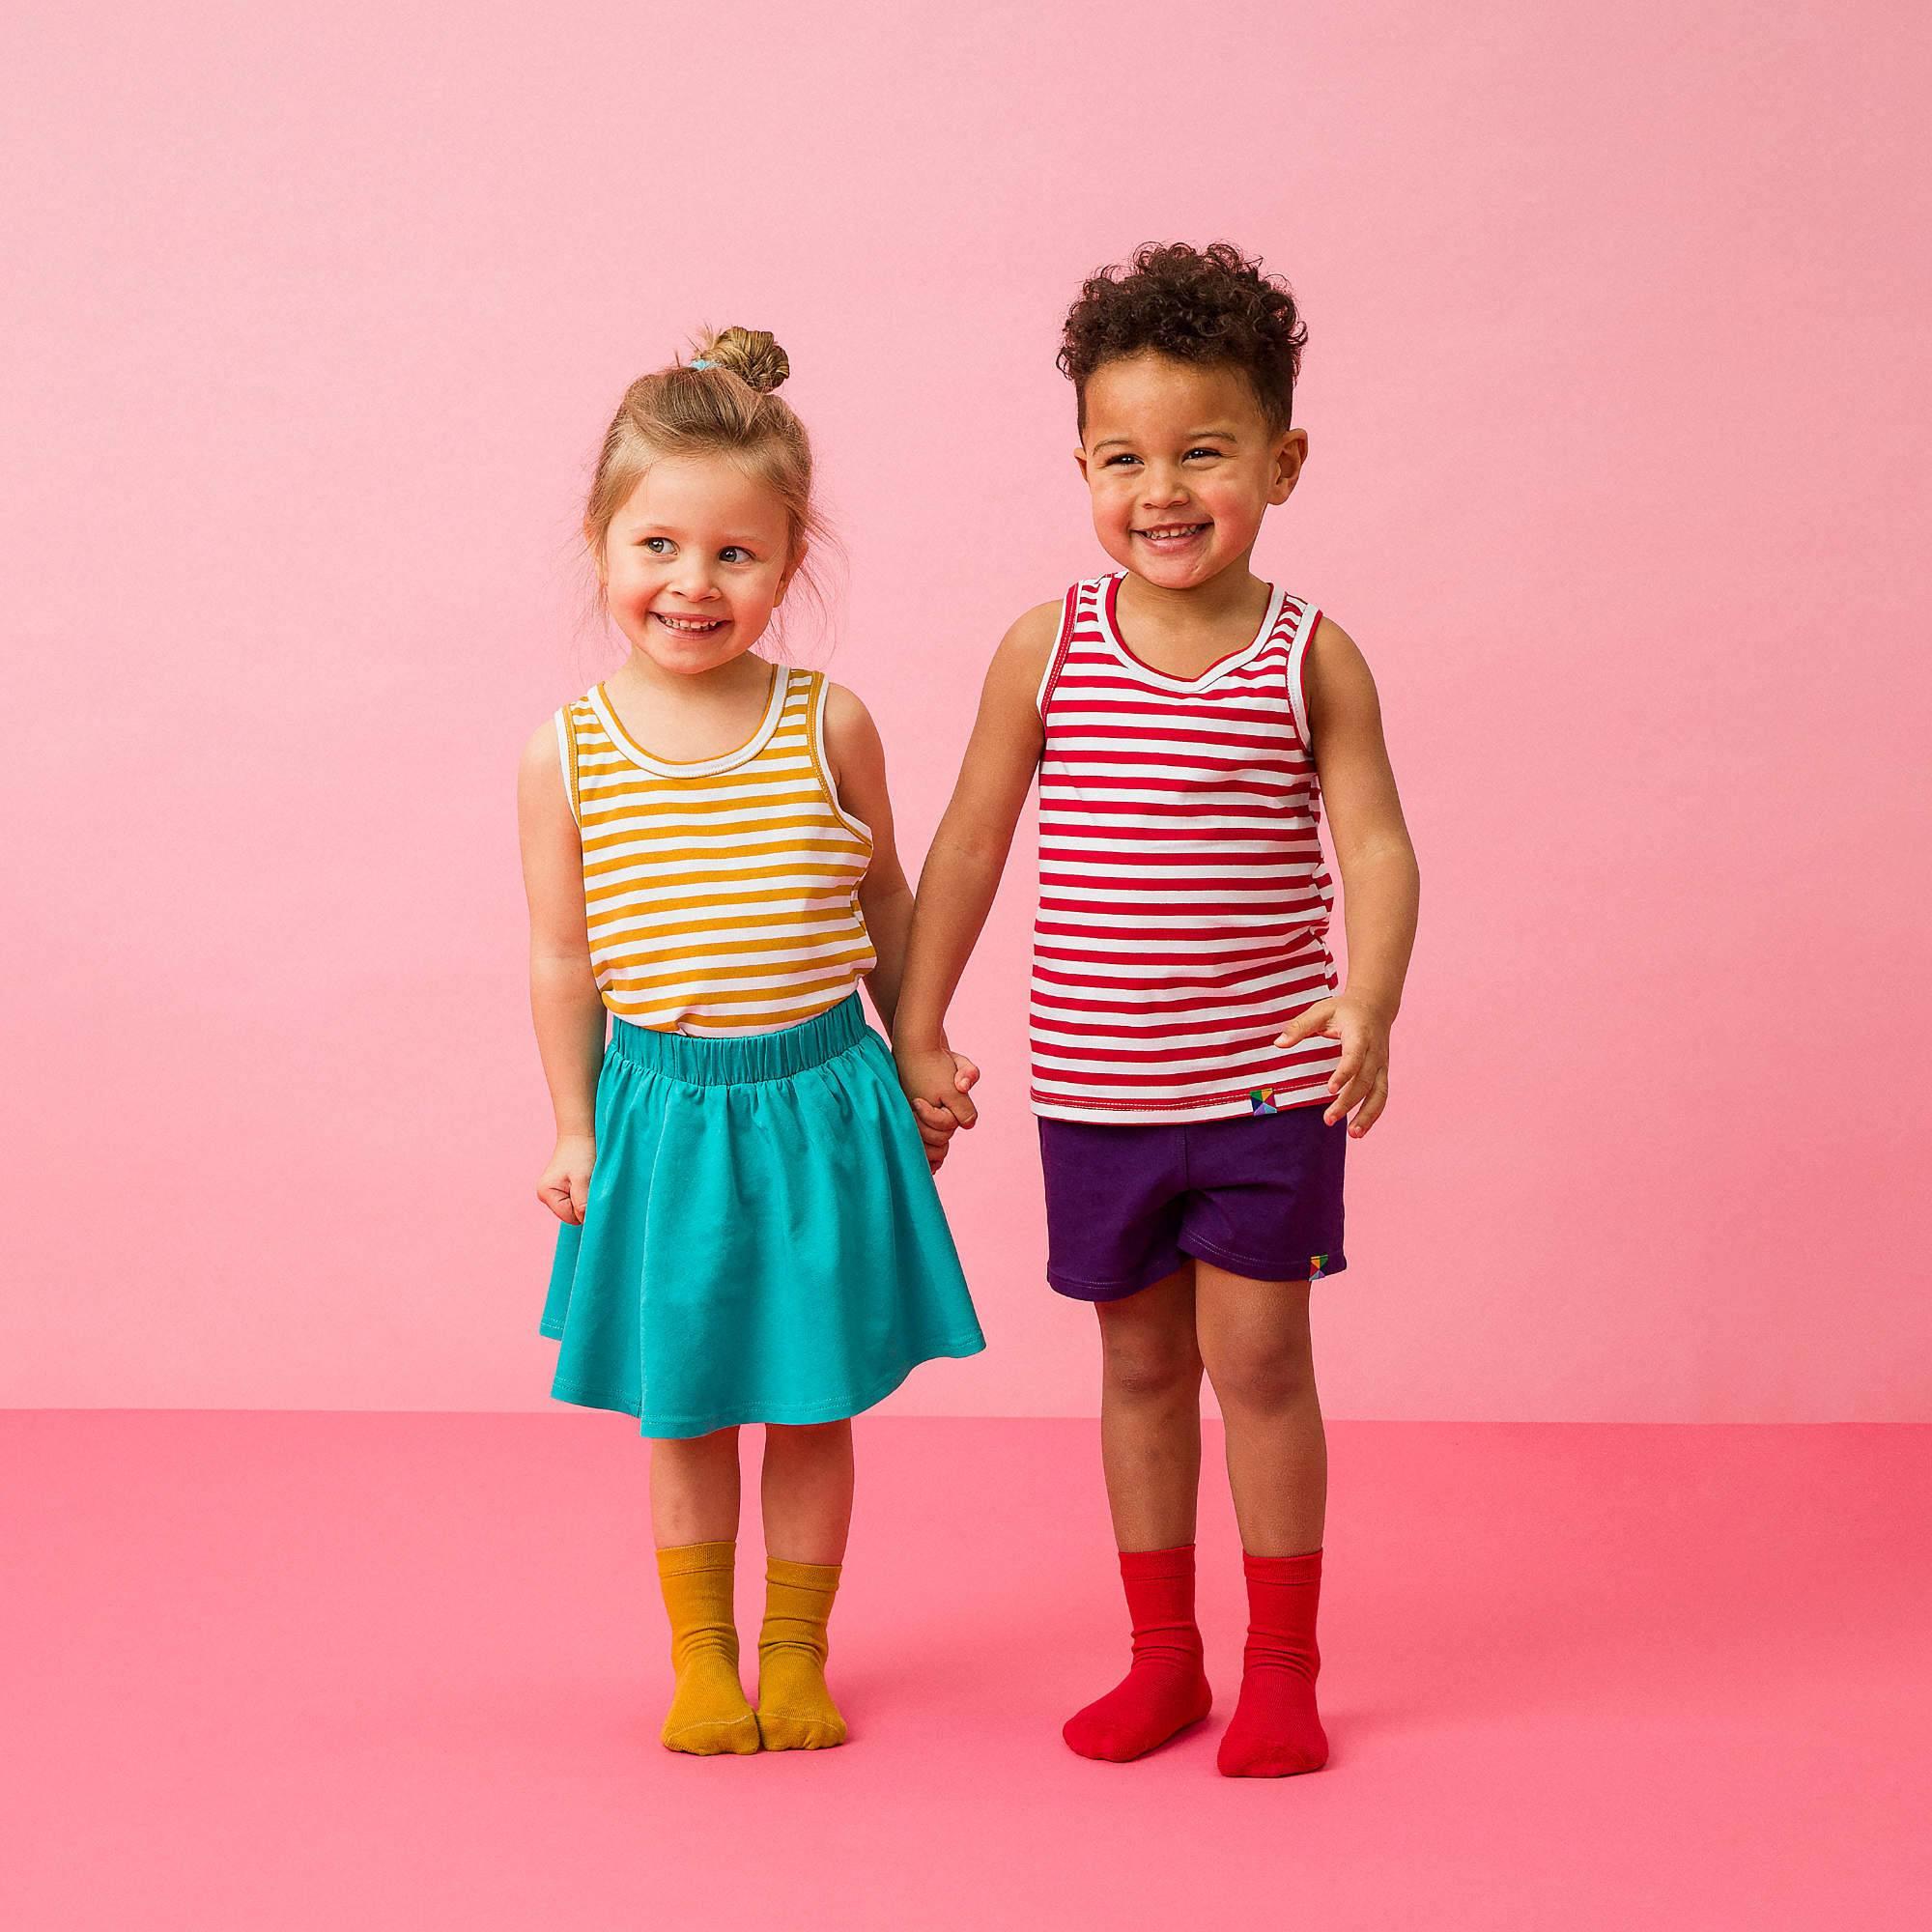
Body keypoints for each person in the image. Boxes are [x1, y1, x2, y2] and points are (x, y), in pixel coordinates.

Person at [894, 244, 1419, 1776]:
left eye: (1204, 452)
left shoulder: (1308, 657)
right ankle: (1164, 1661)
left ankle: (1281, 1669)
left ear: (1281, 461)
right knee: (1135, 1366)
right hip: (1102, 1095)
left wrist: (1366, 1005)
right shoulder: (1044, 646)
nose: (1162, 489)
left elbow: (1375, 843)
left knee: (1258, 1363)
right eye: (1125, 457)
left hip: (1263, 1089)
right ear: (1082, 466)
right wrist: (918, 1026)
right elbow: (972, 843)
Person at [518, 327, 984, 1755]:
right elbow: (561, 955)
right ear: (601, 541)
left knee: (813, 1399)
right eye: (658, 543)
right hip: (664, 1113)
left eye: (737, 554)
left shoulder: (829, 725)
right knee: (686, 1413)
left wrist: (920, 1049)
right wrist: (576, 1123)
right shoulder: (569, 749)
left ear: (791, 560)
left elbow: (887, 895)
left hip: (820, 1107)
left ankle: (797, 1652)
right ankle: (701, 1660)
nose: (693, 583)